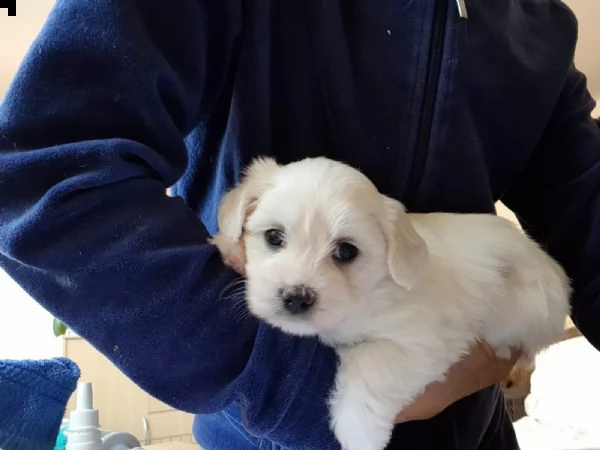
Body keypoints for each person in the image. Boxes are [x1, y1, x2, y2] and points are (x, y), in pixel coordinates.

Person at [0, 1, 598, 449]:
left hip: (474, 425)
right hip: (270, 431)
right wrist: (304, 391)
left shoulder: (538, 24)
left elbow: (585, 207)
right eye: (274, 237)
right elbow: (38, 177)